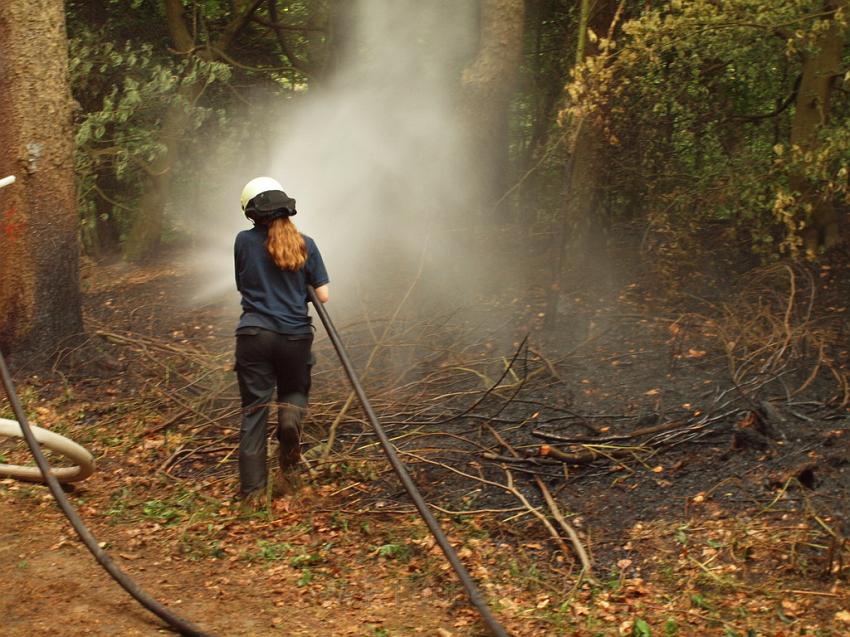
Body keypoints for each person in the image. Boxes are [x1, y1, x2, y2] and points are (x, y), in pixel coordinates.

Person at [233, 176, 329, 503]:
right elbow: (324, 296)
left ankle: (254, 494)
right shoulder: (307, 244)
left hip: (254, 335)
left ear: (251, 213)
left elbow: (242, 284)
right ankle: (289, 420)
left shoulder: (243, 242)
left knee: (254, 412)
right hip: (295, 338)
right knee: (294, 393)